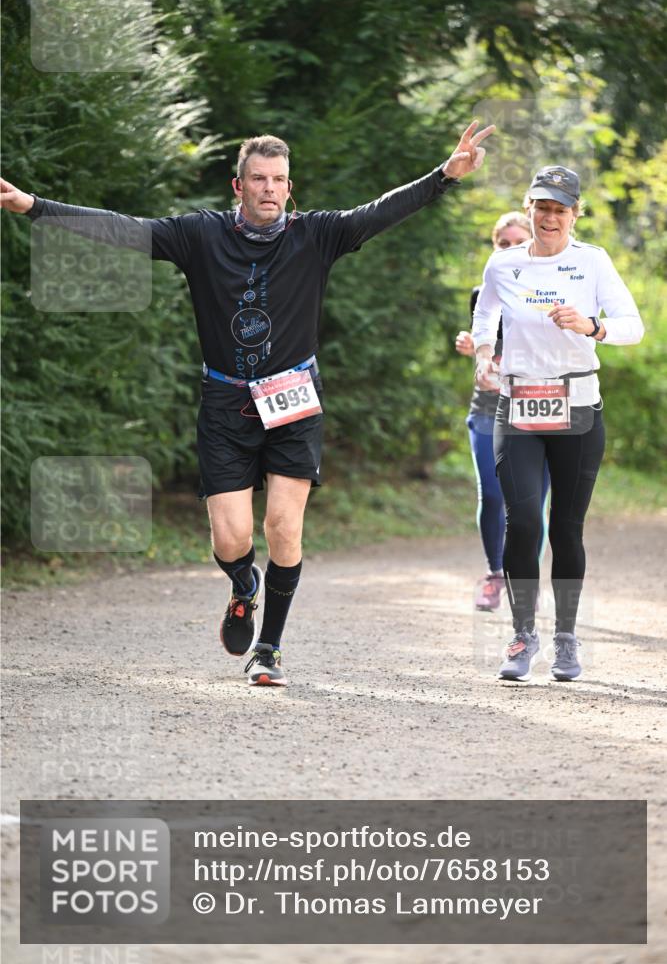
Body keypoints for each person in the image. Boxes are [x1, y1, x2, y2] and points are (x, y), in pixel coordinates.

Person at [1, 119, 495, 687]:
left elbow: (376, 213)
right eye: (257, 179)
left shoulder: (317, 234)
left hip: (293, 400)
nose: (268, 189)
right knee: (232, 538)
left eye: (278, 180)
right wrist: (35, 206)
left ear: (290, 186)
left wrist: (443, 177)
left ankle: (270, 648)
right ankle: (243, 586)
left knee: (284, 528)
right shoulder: (200, 235)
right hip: (225, 402)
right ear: (238, 186)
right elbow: (126, 230)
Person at [472, 165, 644, 683]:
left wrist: (592, 325)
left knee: (567, 530)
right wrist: (484, 354)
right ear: (529, 209)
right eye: (542, 207)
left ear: (575, 215)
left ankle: (566, 637)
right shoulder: (503, 265)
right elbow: (485, 317)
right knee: (522, 522)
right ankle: (523, 634)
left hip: (578, 405)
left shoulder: (591, 262)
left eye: (560, 209)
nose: (550, 217)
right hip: (519, 402)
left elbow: (632, 327)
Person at [455, 211, 548, 612]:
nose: (510, 250)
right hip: (490, 407)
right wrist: (475, 349)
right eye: (502, 244)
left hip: (541, 405)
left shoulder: (554, 290)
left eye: (517, 242)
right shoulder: (483, 292)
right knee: (493, 495)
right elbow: (485, 346)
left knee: (531, 502)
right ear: (495, 248)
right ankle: (495, 574)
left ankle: (525, 580)